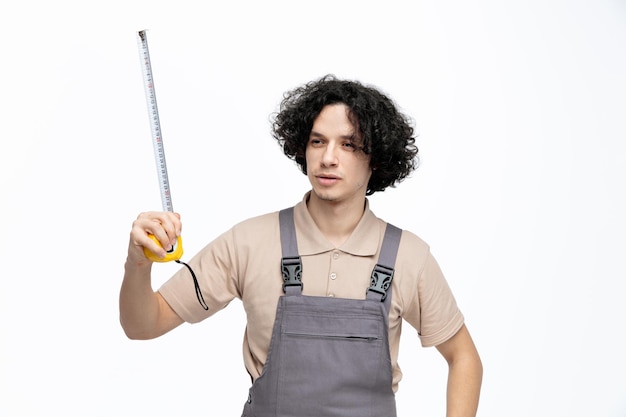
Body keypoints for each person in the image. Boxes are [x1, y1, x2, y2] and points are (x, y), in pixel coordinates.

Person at [119, 75, 483, 416]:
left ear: (376, 159)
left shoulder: (408, 256)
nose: (328, 157)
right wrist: (138, 263)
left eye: (349, 144)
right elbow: (143, 325)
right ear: (302, 148)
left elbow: (463, 356)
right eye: (318, 141)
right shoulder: (249, 242)